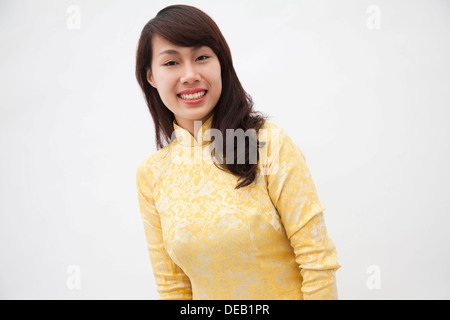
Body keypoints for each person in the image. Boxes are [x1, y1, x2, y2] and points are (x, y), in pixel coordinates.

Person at [135, 4, 340, 300]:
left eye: (202, 57)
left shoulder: (268, 144)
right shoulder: (152, 174)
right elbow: (173, 289)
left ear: (221, 63)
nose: (190, 74)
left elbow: (318, 263)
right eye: (171, 63)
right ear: (151, 77)